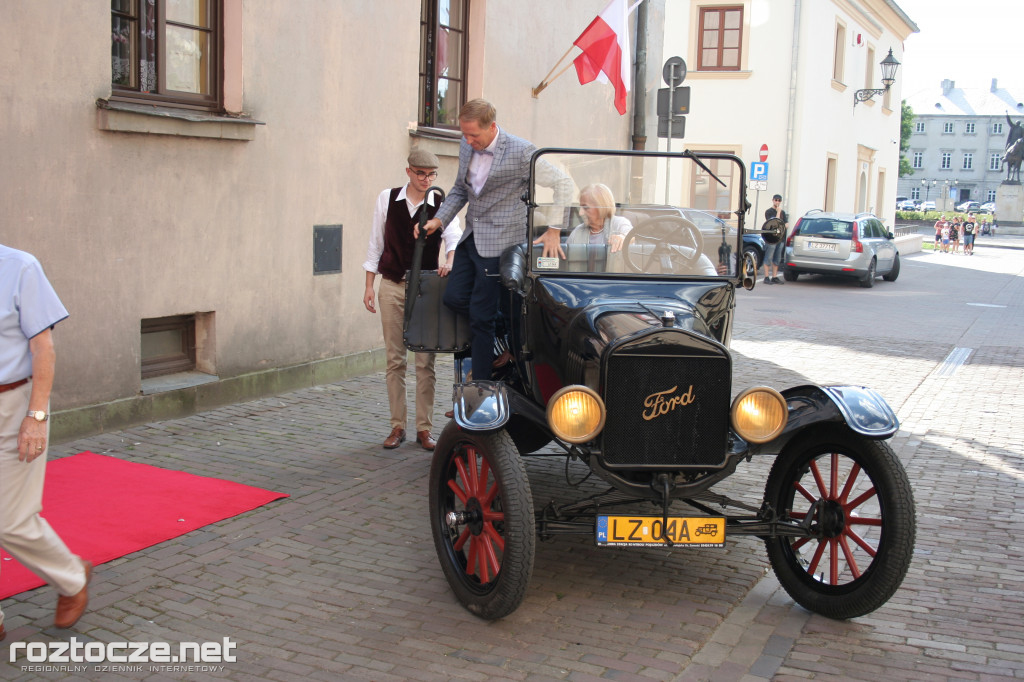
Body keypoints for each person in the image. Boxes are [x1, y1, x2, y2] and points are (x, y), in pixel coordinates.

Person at [421, 98, 572, 382]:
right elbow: (459, 190)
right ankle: (509, 327)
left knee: (480, 317)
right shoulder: (467, 145)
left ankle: (480, 385)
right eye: (463, 134)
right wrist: (439, 220)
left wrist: (554, 228)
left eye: (473, 135)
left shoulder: (522, 151)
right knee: (453, 298)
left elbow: (563, 183)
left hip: (501, 241)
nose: (467, 140)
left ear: (491, 127)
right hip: (471, 237)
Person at [0, 244, 91, 639]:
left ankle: (72, 579)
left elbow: (43, 348)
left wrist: (36, 417)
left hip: (14, 405)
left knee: (10, 519)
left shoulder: (19, 267)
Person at [363, 150, 462, 450]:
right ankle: (397, 426)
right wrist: (369, 286)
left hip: (425, 289)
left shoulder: (440, 204)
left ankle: (424, 428)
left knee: (425, 362)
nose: (426, 179)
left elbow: (455, 236)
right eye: (420, 173)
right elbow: (375, 243)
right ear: (408, 171)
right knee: (395, 360)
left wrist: (449, 258)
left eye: (431, 175)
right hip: (392, 284)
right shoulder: (387, 198)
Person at [762, 194, 788, 284]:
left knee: (777, 258)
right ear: (772, 200)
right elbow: (775, 223)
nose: (777, 202)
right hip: (771, 239)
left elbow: (786, 225)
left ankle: (774, 276)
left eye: (779, 200)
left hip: (780, 238)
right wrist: (778, 212)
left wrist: (782, 222)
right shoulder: (769, 212)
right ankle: (766, 277)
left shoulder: (783, 213)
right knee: (768, 257)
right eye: (776, 200)